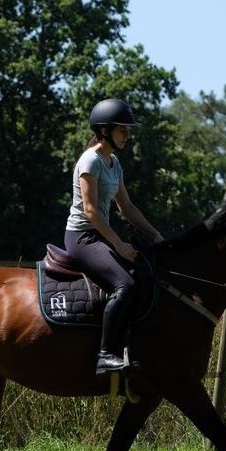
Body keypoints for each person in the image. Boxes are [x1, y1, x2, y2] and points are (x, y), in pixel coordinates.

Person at [65, 98, 165, 374]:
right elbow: (91, 211)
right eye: (123, 130)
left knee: (145, 275)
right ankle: (105, 355)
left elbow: (127, 207)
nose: (128, 136)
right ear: (105, 130)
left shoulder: (114, 162)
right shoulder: (90, 161)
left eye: (128, 131)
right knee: (125, 285)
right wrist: (119, 246)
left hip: (99, 236)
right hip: (82, 238)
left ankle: (131, 349)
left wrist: (155, 234)